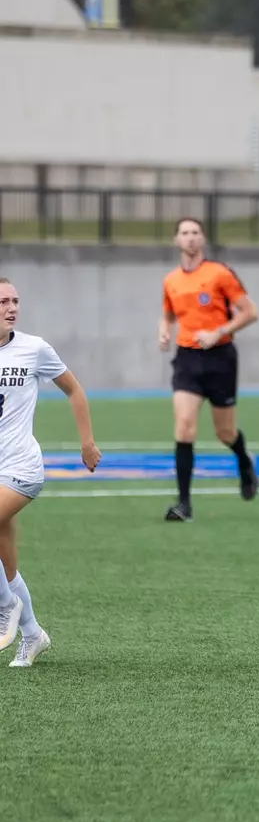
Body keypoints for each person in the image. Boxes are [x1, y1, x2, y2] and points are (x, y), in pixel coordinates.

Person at [0, 278, 102, 668]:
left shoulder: (34, 349)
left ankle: (6, 606)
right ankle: (32, 635)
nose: (12, 308)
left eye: (15, 301)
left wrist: (87, 443)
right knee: (6, 563)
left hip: (21, 468)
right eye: (3, 302)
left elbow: (74, 390)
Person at [158, 217, 259, 521]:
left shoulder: (220, 274)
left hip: (220, 358)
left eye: (195, 233)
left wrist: (219, 332)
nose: (190, 238)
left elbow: (250, 312)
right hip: (187, 359)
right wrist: (163, 331)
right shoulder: (171, 280)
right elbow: (168, 314)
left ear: (202, 239)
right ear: (176, 240)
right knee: (184, 426)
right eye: (184, 233)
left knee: (225, 432)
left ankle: (244, 460)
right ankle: (184, 504)